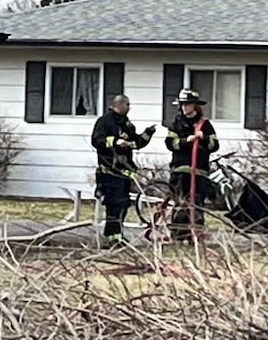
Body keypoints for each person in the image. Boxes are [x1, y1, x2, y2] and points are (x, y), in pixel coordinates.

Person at [91, 94, 156, 247]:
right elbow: (97, 140)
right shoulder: (105, 121)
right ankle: (111, 237)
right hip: (109, 171)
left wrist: (148, 133)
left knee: (123, 204)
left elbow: (135, 143)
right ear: (118, 104)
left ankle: (117, 236)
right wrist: (114, 141)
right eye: (127, 105)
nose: (129, 108)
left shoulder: (126, 124)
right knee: (114, 204)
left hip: (124, 173)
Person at [165, 88, 219, 240]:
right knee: (180, 203)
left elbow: (214, 145)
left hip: (199, 171)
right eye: (182, 105)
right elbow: (170, 143)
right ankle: (178, 236)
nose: (184, 107)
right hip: (180, 170)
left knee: (197, 204)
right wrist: (185, 141)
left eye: (187, 104)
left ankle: (196, 234)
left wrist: (204, 138)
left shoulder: (205, 125)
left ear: (195, 106)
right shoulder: (176, 124)